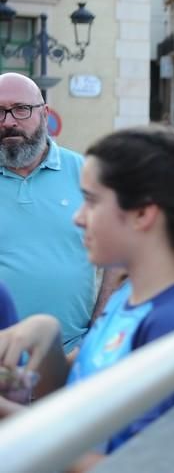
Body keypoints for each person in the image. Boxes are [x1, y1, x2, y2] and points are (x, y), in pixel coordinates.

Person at [0, 125, 174, 469]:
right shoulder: (128, 303)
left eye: (91, 201)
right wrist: (47, 338)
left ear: (143, 214)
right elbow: (76, 403)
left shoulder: (170, 324)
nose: (78, 218)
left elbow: (138, 465)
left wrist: (12, 421)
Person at [0, 72, 97, 353]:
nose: (8, 121)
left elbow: (118, 259)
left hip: (71, 351)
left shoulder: (85, 173)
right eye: (0, 112)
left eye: (21, 109)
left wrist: (100, 321)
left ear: (44, 113)